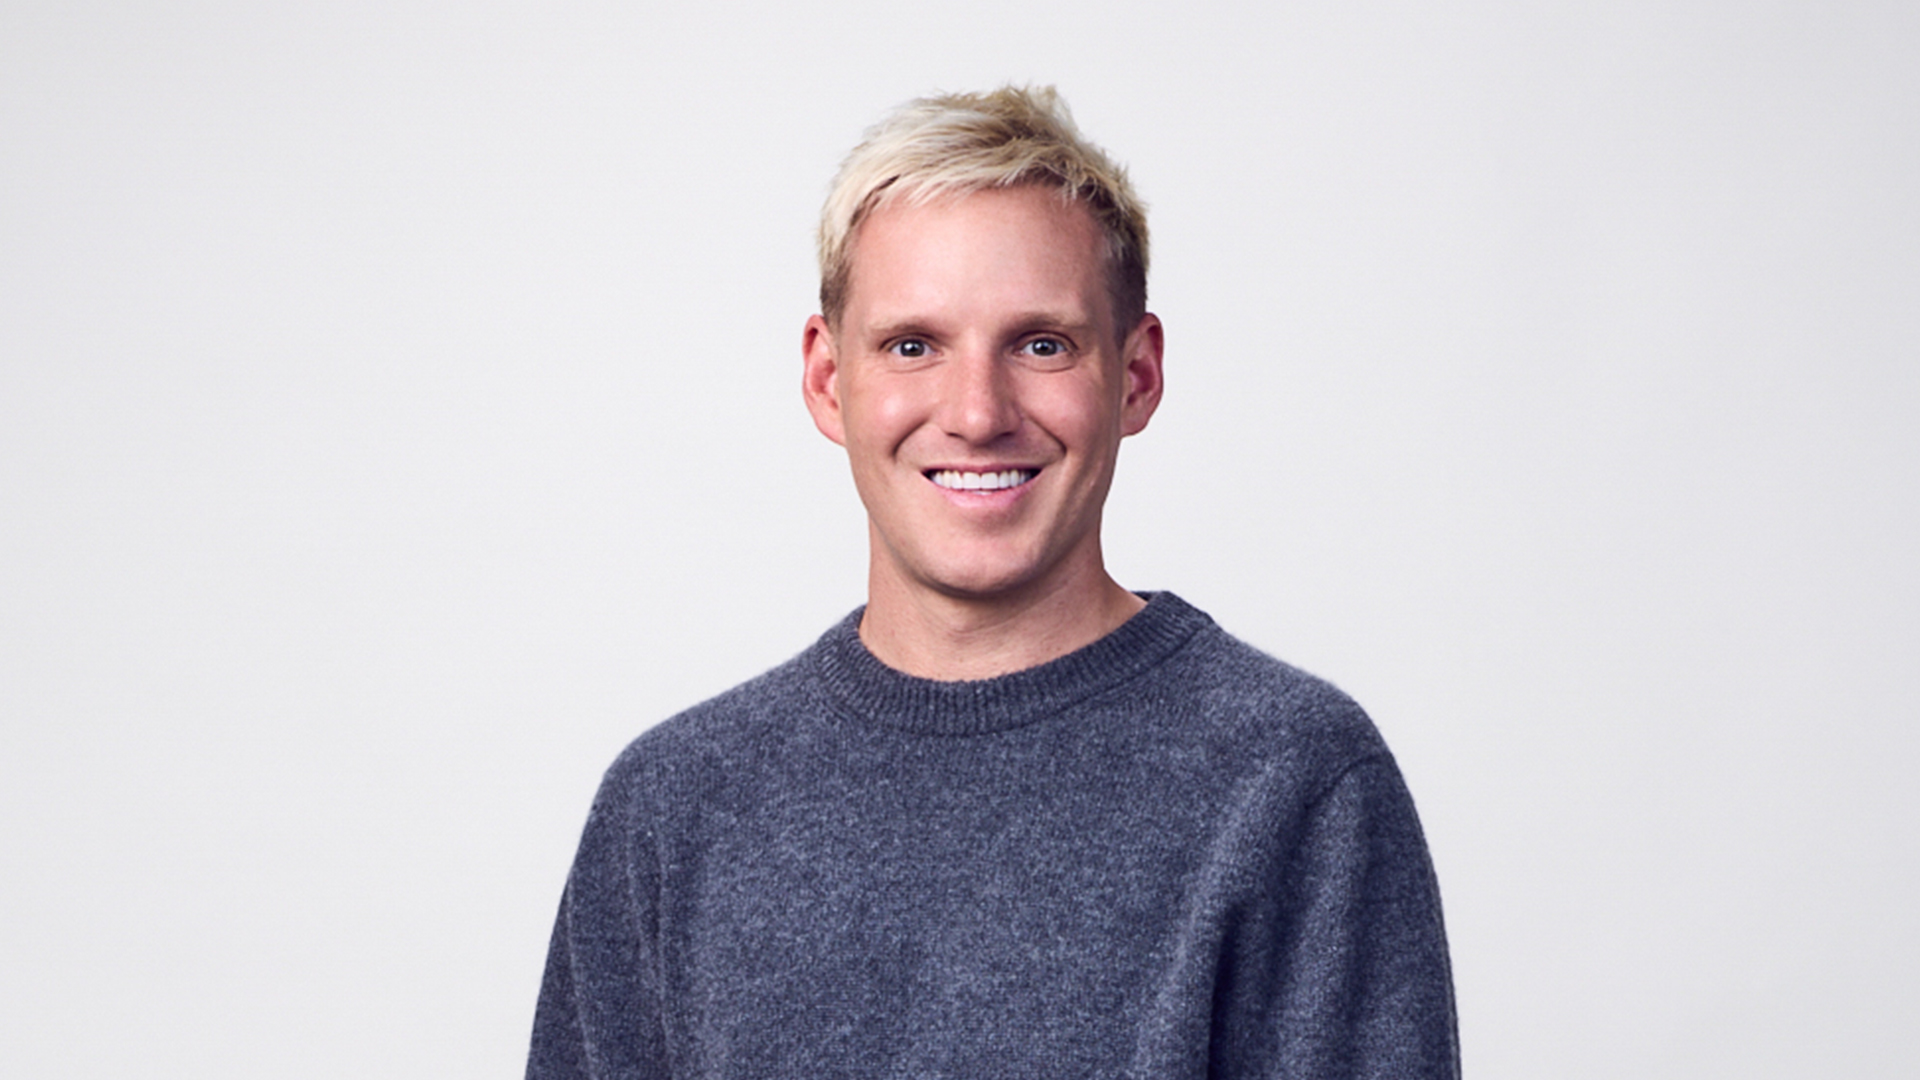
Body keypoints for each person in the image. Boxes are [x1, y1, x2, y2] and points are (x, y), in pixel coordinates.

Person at [528, 86, 1458, 1079]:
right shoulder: (673, 806)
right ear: (829, 380)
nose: (977, 413)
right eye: (913, 346)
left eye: (1041, 344)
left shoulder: (1293, 780)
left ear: (1135, 376)